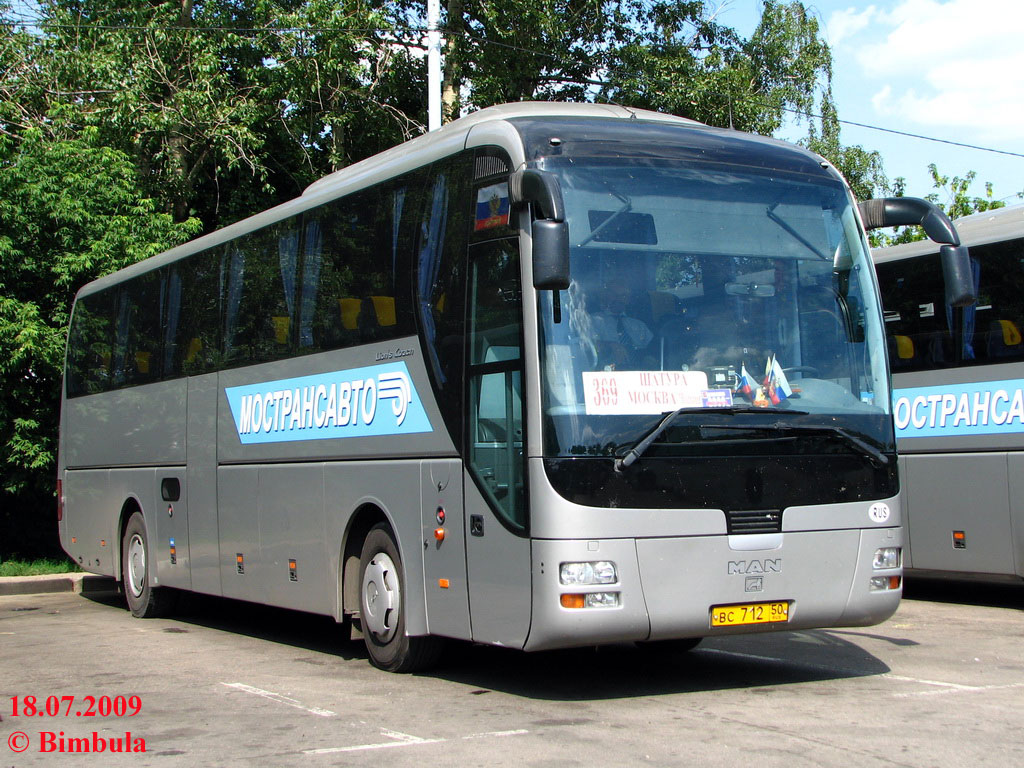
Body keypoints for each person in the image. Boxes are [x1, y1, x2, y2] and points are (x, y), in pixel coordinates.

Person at [591, 282, 653, 369]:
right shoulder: (593, 320)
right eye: (614, 295)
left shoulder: (639, 325)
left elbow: (654, 351)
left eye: (623, 296)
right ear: (605, 296)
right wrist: (610, 345)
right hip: (605, 375)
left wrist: (650, 359)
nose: (619, 299)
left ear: (628, 299)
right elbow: (585, 346)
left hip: (639, 375)